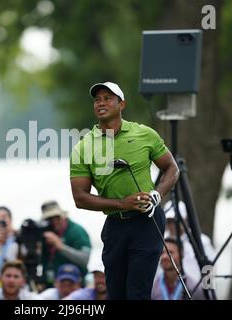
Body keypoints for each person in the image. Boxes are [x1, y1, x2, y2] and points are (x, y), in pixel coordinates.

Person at [70, 81, 179, 300]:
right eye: (97, 99)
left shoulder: (144, 134)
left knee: (137, 294)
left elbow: (171, 168)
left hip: (147, 221)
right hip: (115, 225)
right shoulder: (84, 146)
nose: (101, 103)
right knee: (116, 293)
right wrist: (122, 204)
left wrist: (157, 195)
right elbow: (80, 198)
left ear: (122, 104)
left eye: (108, 98)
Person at [162, 200, 216, 283]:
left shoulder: (202, 241)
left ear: (185, 219)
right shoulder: (160, 240)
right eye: (169, 221)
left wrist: (207, 291)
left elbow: (209, 268)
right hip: (165, 292)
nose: (172, 225)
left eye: (176, 221)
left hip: (194, 292)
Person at [40, 200, 91, 289]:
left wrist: (60, 246)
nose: (53, 221)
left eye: (56, 217)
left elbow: (84, 259)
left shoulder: (77, 231)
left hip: (75, 287)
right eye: (49, 219)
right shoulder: (45, 232)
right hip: (52, 287)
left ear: (63, 216)